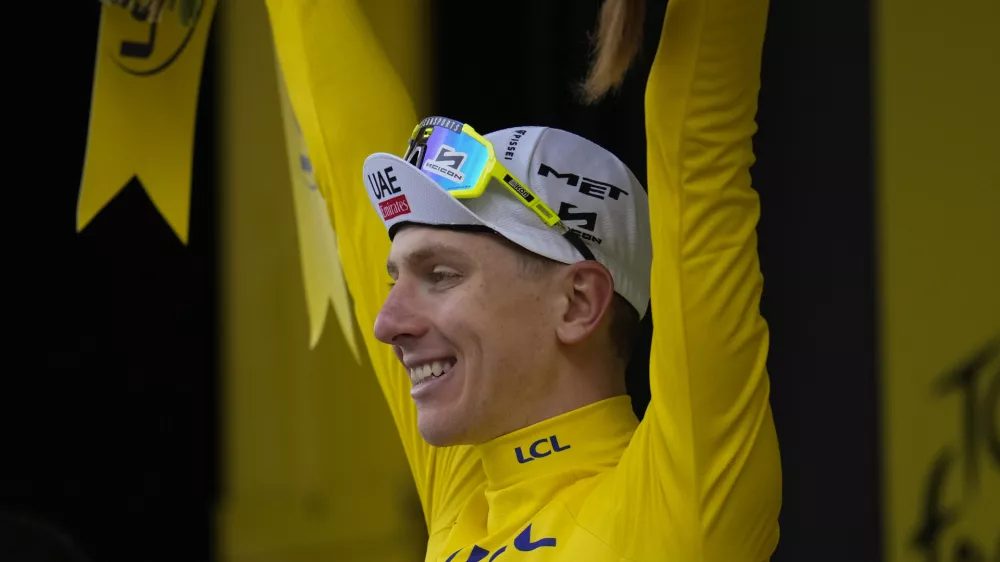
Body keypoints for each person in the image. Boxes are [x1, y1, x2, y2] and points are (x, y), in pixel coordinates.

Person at [273, 0, 781, 558]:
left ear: (577, 302)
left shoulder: (677, 504)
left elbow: (697, 145)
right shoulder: (470, 482)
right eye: (396, 277)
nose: (387, 323)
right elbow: (344, 134)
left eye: (440, 275)